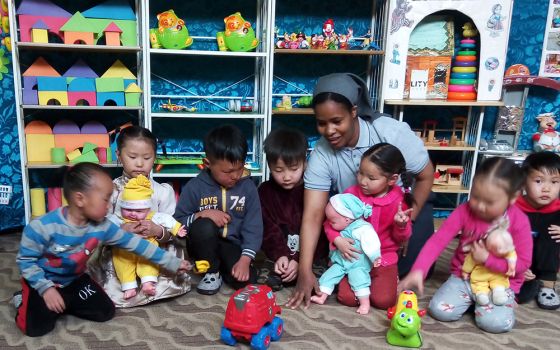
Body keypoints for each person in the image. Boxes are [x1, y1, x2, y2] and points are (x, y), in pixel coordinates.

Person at [286, 73, 434, 309]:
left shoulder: (389, 132)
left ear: (354, 111)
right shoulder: (322, 154)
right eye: (321, 123)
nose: (329, 130)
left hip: (401, 209)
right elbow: (313, 214)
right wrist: (304, 270)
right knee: (354, 274)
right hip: (361, 220)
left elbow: (426, 176)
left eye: (337, 121)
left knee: (406, 264)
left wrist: (408, 221)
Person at [14, 163, 191, 337]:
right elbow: (26, 261)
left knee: (105, 312)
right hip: (43, 280)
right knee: (35, 329)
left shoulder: (103, 226)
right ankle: (23, 298)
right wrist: (46, 289)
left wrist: (173, 262)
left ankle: (65, 300)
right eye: (105, 199)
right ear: (80, 199)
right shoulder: (41, 227)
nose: (109, 206)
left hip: (73, 279)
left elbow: (138, 245)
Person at [399, 157, 532, 333]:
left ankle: (487, 303)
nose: (480, 206)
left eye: (490, 202)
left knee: (496, 324)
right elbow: (438, 241)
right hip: (464, 276)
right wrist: (419, 270)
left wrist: (487, 260)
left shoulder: (519, 221)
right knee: (439, 310)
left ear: (513, 197)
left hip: (499, 282)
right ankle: (474, 301)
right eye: (475, 196)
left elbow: (523, 264)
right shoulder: (465, 210)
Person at [90, 125, 190, 308]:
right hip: (121, 250)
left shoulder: (161, 191)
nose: (139, 164)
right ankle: (127, 285)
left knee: (165, 254)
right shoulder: (110, 190)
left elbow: (172, 229)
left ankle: (151, 283)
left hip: (153, 248)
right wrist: (121, 229)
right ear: (119, 155)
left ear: (154, 157)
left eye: (147, 158)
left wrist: (158, 230)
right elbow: (100, 226)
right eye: (132, 157)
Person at [174, 125, 263, 295]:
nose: (235, 176)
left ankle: (225, 266)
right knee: (204, 226)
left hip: (232, 245)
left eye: (240, 168)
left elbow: (254, 226)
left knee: (245, 282)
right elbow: (178, 222)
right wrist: (202, 214)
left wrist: (245, 259)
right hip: (202, 244)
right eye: (228, 171)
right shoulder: (195, 187)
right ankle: (212, 271)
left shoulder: (248, 188)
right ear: (207, 164)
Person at [328, 142, 413, 309]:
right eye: (360, 173)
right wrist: (337, 240)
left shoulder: (399, 200)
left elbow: (401, 239)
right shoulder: (350, 195)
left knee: (383, 302)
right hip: (354, 257)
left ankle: (387, 280)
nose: (363, 181)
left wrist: (400, 225)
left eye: (371, 178)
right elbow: (330, 222)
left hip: (384, 258)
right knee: (347, 298)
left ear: (392, 179)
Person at [258, 128, 328, 291]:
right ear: (269, 166)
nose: (287, 176)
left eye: (293, 169)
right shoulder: (265, 191)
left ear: (305, 163)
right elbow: (268, 229)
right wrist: (281, 255)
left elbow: (321, 232)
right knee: (265, 277)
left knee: (324, 281)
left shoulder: (314, 190)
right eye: (279, 170)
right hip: (278, 253)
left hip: (312, 256)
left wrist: (299, 260)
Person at [110, 175, 186, 299]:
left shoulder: (152, 216)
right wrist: (122, 228)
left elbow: (167, 219)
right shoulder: (119, 219)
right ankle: (128, 286)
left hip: (147, 248)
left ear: (147, 209)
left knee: (149, 262)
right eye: (128, 209)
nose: (133, 214)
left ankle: (148, 282)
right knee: (122, 263)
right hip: (124, 251)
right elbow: (108, 225)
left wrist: (177, 228)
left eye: (139, 211)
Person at [310, 193, 381, 314]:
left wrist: (375, 256)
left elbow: (372, 242)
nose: (330, 223)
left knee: (359, 280)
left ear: (347, 219)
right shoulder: (341, 227)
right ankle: (322, 296)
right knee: (329, 275)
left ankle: (365, 303)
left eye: (332, 221)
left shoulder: (362, 228)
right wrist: (332, 258)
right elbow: (333, 248)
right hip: (340, 262)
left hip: (357, 263)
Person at [515, 152, 560, 310]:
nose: (547, 188)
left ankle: (547, 285)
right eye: (539, 181)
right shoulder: (513, 207)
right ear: (523, 183)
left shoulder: (558, 209)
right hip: (517, 263)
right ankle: (524, 279)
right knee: (519, 296)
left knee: (553, 232)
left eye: (554, 182)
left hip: (547, 261)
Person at [461, 219, 517, 306]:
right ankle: (481, 295)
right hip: (481, 273)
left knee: (500, 284)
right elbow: (470, 260)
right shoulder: (480, 249)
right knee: (479, 284)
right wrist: (465, 271)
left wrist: (512, 266)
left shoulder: (507, 250)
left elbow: (512, 256)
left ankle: (499, 293)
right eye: (496, 249)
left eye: (504, 249)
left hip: (498, 275)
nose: (501, 252)